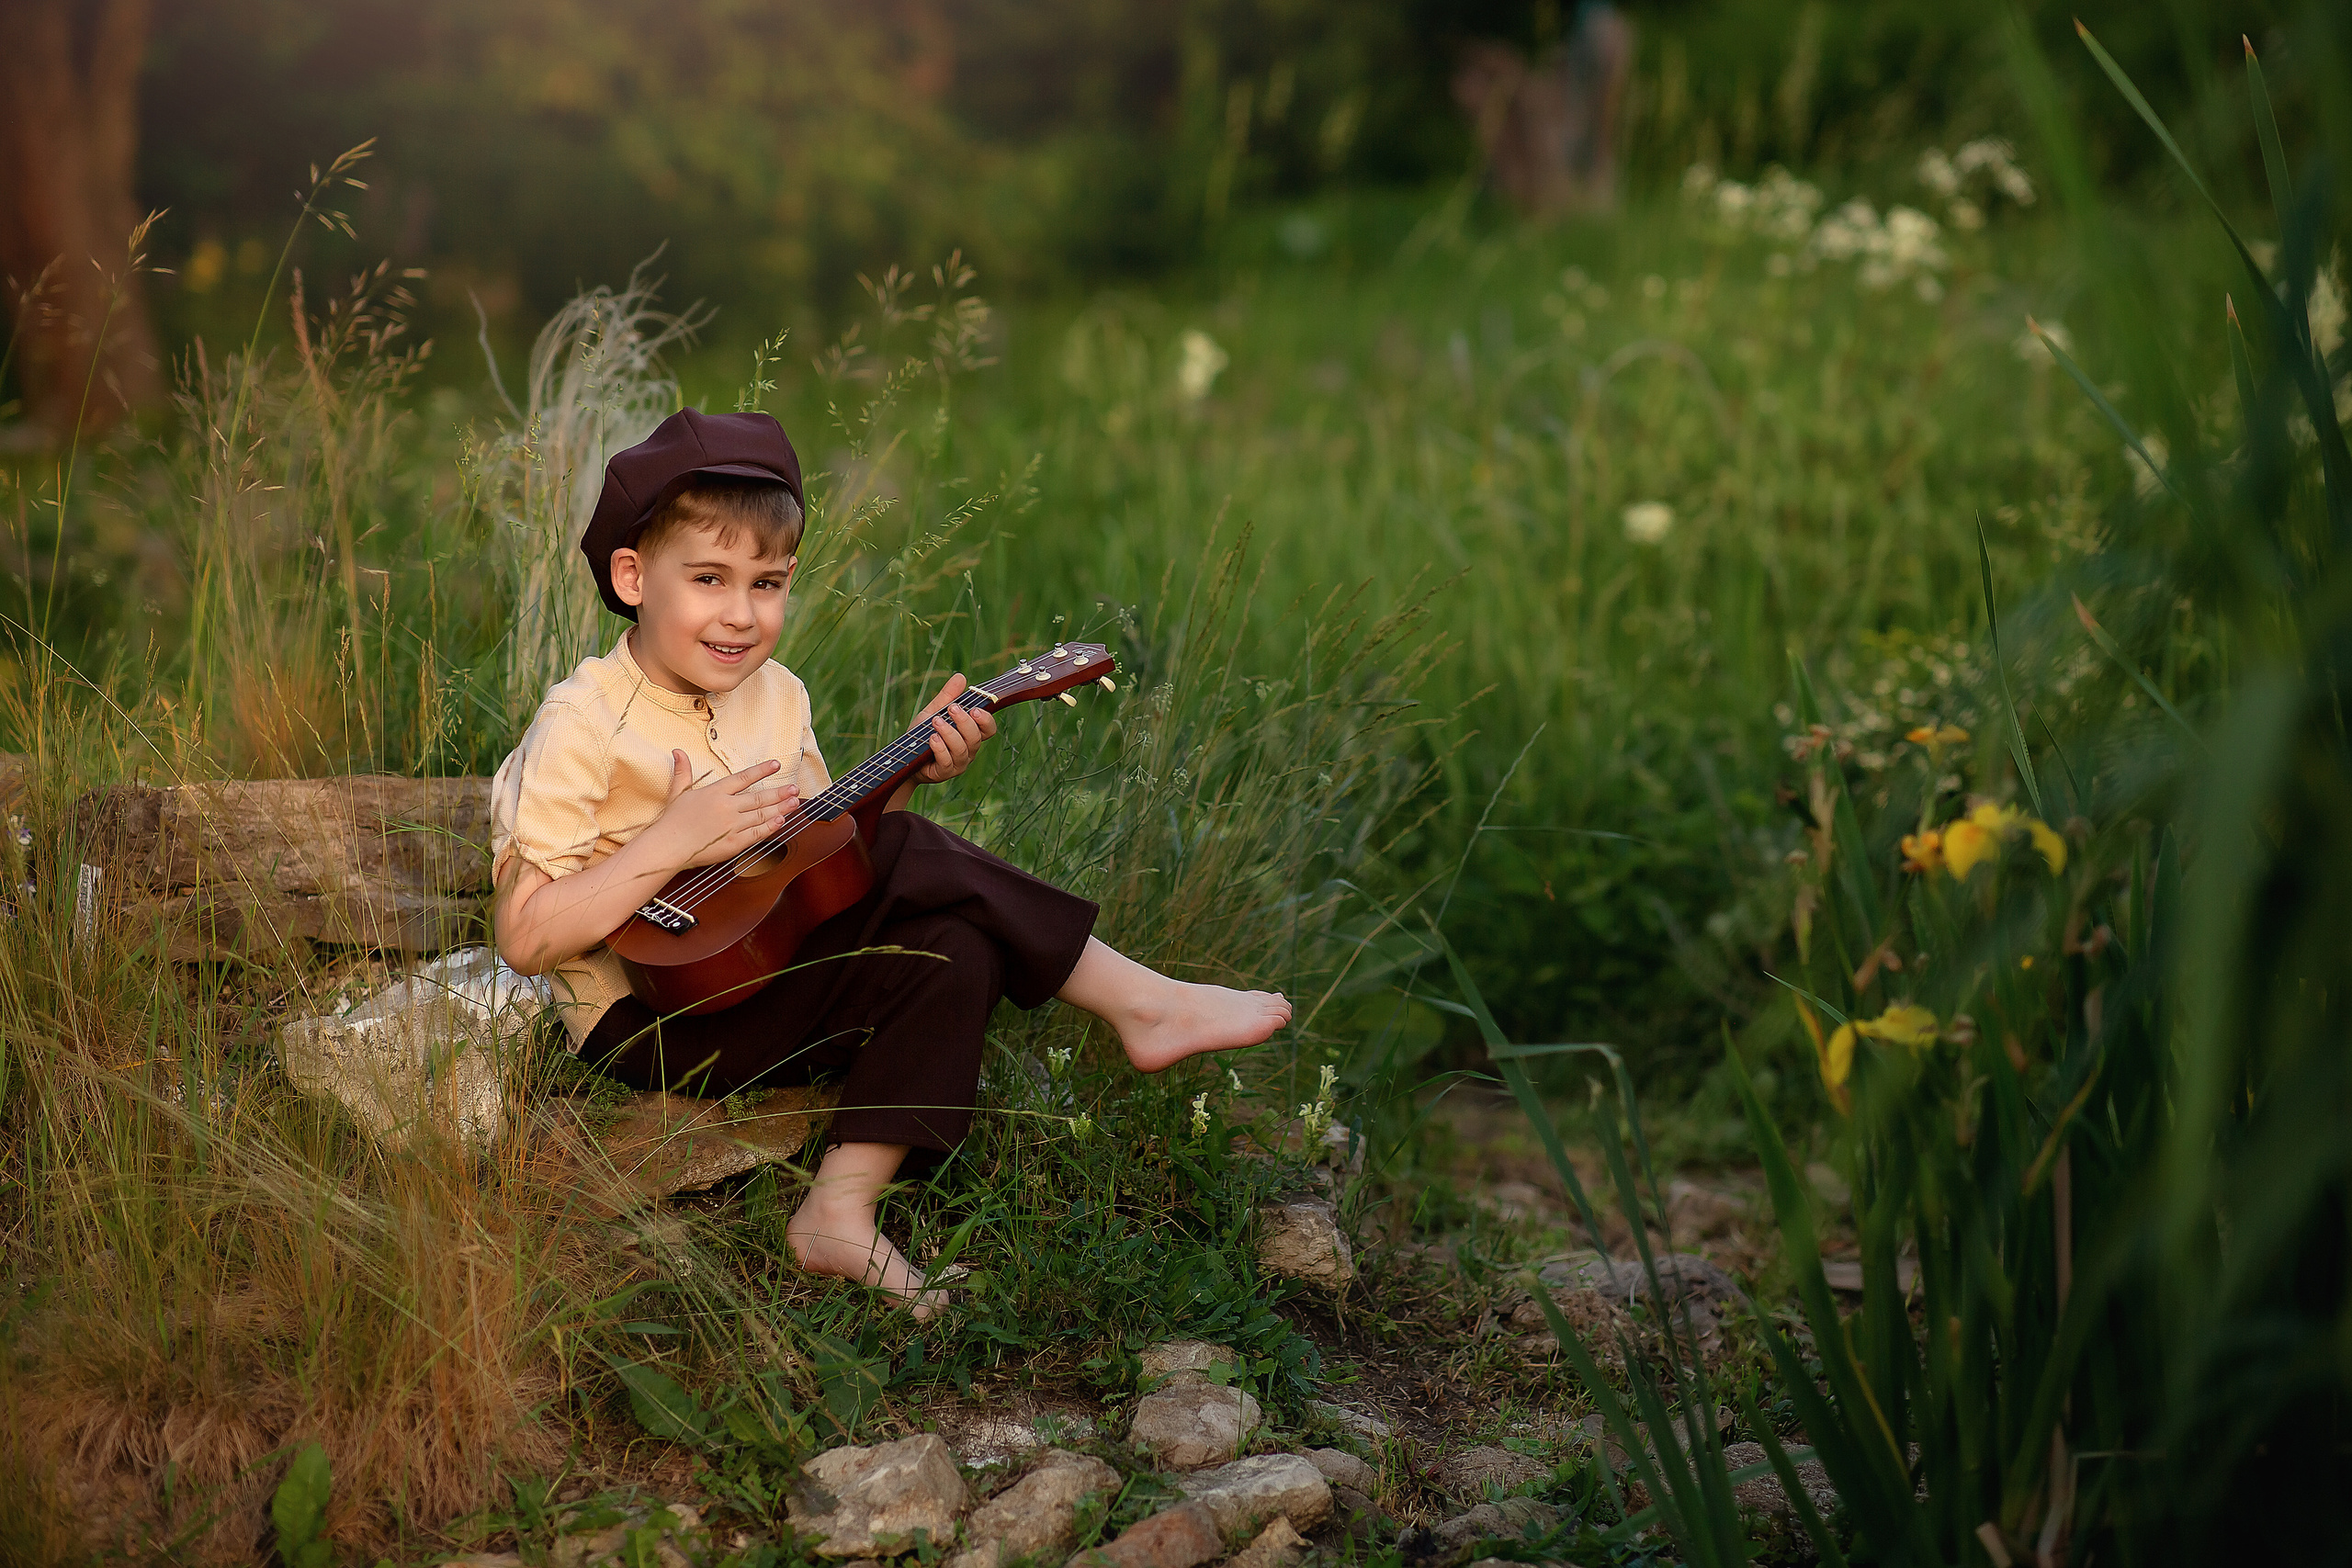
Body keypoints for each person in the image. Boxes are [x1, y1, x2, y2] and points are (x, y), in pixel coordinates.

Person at [490, 408, 1291, 1314]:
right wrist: (674, 838)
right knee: (914, 859)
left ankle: (839, 1208)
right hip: (650, 1016)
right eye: (709, 579)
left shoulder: (776, 697)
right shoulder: (583, 722)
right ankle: (1143, 1003)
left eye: (769, 582)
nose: (743, 614)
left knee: (956, 945)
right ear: (633, 577)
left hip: (761, 975)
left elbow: (821, 867)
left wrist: (905, 770)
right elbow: (524, 937)